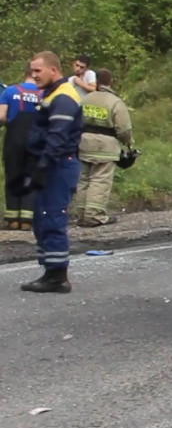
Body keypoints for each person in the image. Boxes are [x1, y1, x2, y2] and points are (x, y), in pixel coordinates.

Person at [11, 52, 83, 294]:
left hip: (58, 164)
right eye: (32, 70)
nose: (34, 75)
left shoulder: (63, 96)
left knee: (52, 217)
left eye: (38, 70)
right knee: (42, 218)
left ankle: (58, 276)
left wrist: (43, 166)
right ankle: (50, 270)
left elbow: (57, 135)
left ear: (53, 70)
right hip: (51, 163)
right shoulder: (51, 94)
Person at [77, 68, 133, 227]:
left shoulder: (86, 99)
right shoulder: (114, 101)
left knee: (84, 180)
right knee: (100, 180)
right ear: (111, 82)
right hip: (105, 147)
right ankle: (94, 216)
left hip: (83, 144)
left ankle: (81, 215)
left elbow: (76, 121)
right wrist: (127, 143)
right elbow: (124, 129)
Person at [1, 64, 42, 230]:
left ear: (24, 74)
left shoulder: (10, 91)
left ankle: (12, 219)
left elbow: (1, 116)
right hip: (36, 138)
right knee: (31, 176)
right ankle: (27, 219)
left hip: (14, 138)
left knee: (13, 174)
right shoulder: (43, 93)